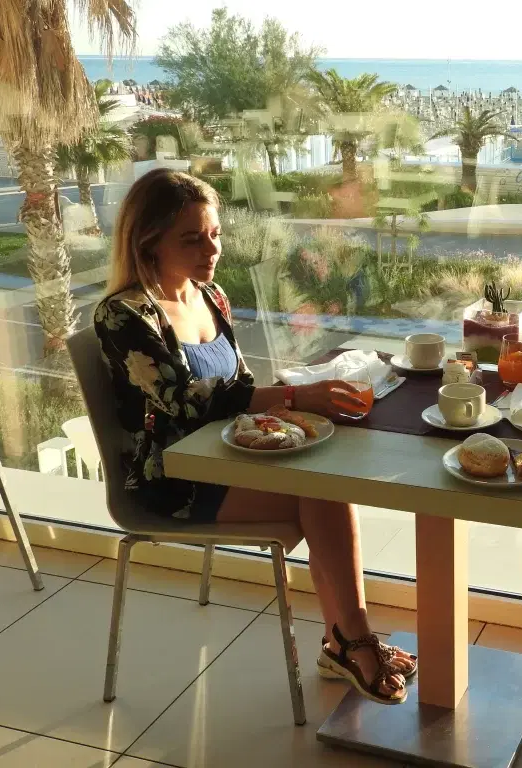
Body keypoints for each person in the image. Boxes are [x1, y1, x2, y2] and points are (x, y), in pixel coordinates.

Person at [93, 169, 415, 706]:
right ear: (148, 242)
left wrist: (296, 401)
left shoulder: (209, 295)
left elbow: (238, 387)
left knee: (324, 481)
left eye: (214, 233)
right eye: (191, 238)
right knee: (323, 492)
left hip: (232, 455)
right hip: (174, 479)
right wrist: (292, 400)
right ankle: (351, 641)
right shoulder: (123, 314)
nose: (211, 249)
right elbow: (184, 399)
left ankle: (344, 642)